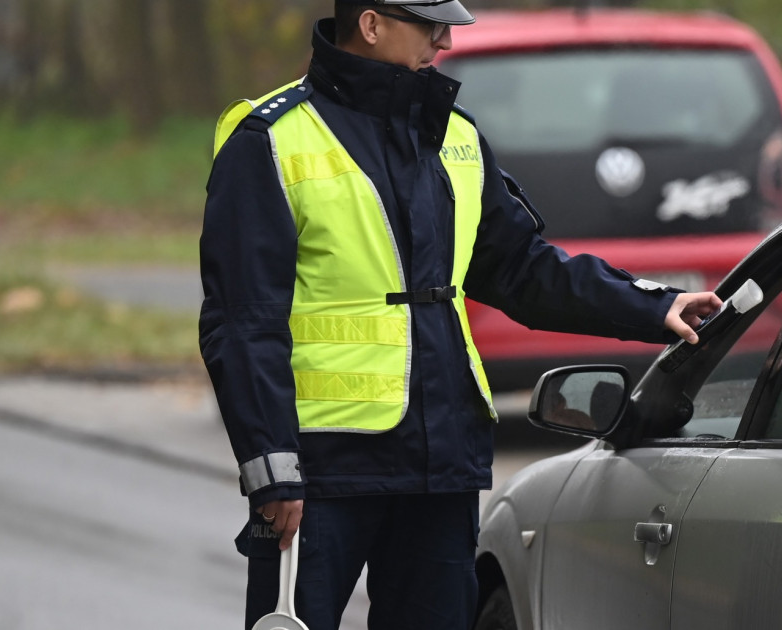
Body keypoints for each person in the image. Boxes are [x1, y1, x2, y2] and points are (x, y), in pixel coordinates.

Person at [197, 1, 722, 629]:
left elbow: (523, 270)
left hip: (440, 460)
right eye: (430, 25)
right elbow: (242, 322)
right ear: (371, 24)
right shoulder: (272, 137)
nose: (445, 40)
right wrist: (272, 471)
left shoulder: (454, 136)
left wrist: (654, 306)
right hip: (321, 471)